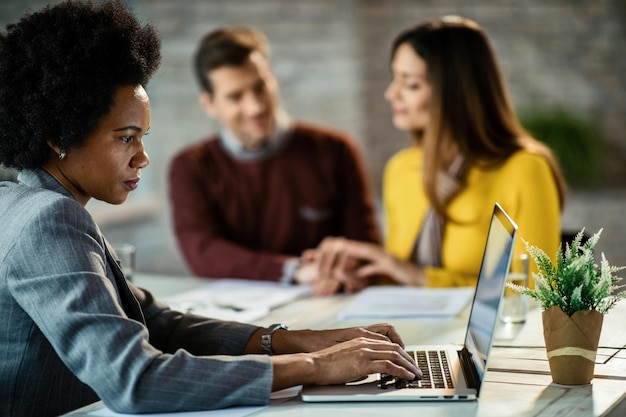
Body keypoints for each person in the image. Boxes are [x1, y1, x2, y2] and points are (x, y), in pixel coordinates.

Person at [0, 3, 419, 416]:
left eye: (143, 136)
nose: (143, 157)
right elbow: (135, 380)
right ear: (60, 136)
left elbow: (155, 322)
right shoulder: (51, 219)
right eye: (127, 138)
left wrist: (307, 341)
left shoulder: (30, 202)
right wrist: (314, 367)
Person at [312, 16, 566, 293]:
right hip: (405, 329)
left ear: (455, 93)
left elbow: (538, 292)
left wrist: (425, 278)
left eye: (410, 84)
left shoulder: (524, 169)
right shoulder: (400, 169)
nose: (391, 93)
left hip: (482, 336)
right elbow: (400, 276)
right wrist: (357, 274)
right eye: (394, 79)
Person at [168, 27, 380, 288]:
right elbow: (202, 252)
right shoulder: (191, 167)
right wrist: (294, 269)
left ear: (274, 80)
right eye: (235, 96)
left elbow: (367, 247)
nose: (255, 106)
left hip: (326, 302)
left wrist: (346, 267)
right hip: (235, 318)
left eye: (261, 87)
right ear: (209, 103)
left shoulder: (335, 150)